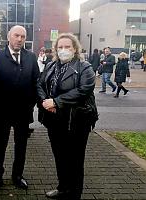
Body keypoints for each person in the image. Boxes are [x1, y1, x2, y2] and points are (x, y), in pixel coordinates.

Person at [37, 33, 98, 200]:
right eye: (60, 47)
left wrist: (56, 102)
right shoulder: (50, 66)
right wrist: (45, 102)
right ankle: (63, 187)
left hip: (77, 121)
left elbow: (84, 90)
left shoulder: (84, 67)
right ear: (56, 49)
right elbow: (40, 84)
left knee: (76, 160)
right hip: (54, 121)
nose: (63, 50)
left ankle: (74, 194)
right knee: (60, 157)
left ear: (75, 49)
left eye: (67, 47)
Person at [0, 25, 40, 192]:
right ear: (9, 37)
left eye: (23, 36)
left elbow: (36, 82)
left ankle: (17, 176)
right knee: (0, 145)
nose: (20, 39)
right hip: (3, 112)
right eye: (16, 35)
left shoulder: (31, 57)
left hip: (24, 112)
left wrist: (31, 104)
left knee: (21, 146)